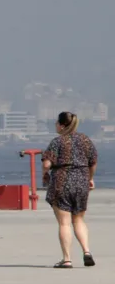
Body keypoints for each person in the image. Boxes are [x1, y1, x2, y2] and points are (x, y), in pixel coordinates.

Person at [42, 111, 98, 269]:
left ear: (61, 125)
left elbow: (47, 164)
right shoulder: (85, 140)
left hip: (62, 181)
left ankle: (67, 259)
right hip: (81, 182)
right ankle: (86, 251)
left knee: (64, 223)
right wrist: (90, 178)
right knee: (79, 219)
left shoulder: (57, 141)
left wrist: (45, 174)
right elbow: (93, 161)